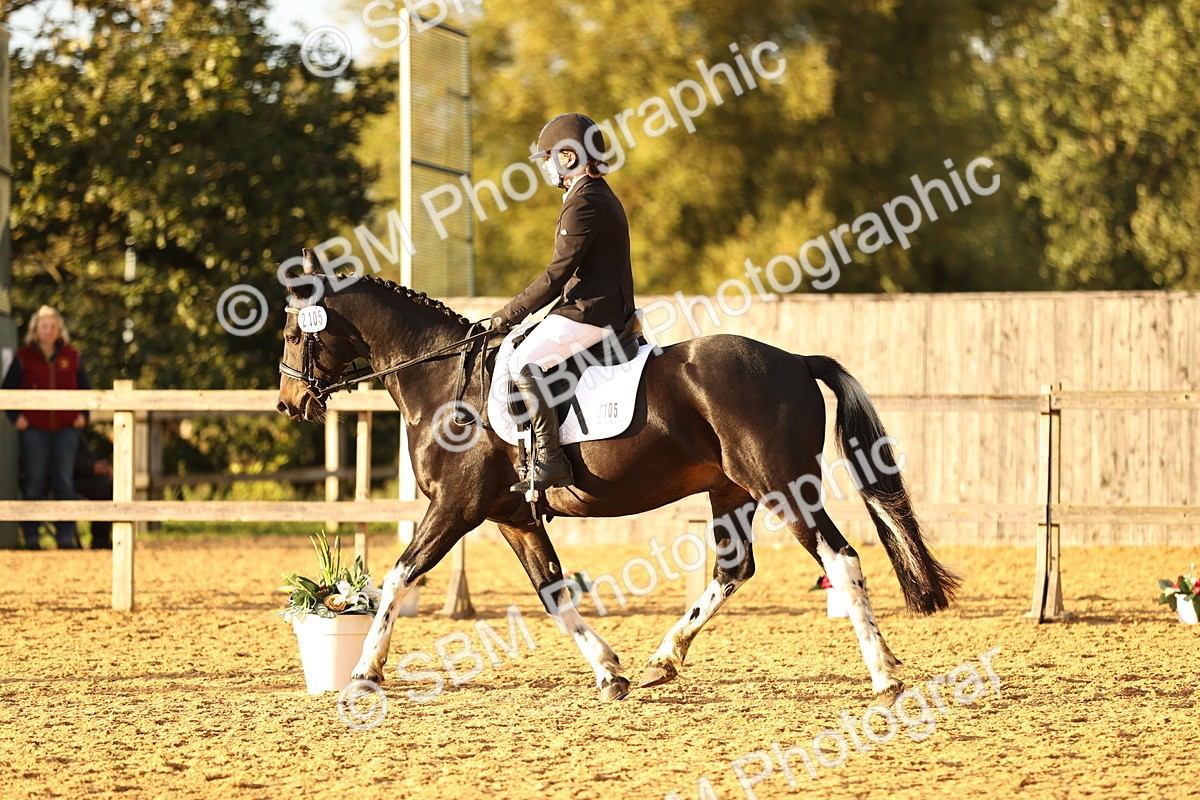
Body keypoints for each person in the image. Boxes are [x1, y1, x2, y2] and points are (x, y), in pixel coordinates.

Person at [490, 113, 636, 493]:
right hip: (595, 305)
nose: (546, 167)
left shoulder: (585, 201)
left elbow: (556, 276)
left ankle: (550, 460)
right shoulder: (594, 194)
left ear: (567, 157)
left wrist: (508, 314)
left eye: (548, 157)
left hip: (591, 311)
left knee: (522, 361)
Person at [2, 305, 92, 549]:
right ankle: (32, 536)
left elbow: (86, 389)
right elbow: (7, 389)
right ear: (35, 329)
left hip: (66, 428)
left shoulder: (72, 356)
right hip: (35, 428)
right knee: (34, 480)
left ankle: (65, 537)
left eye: (53, 326)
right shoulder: (24, 357)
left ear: (59, 329)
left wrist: (84, 414)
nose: (49, 331)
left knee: (64, 480)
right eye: (44, 326)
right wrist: (15, 416)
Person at [73, 431, 114, 549]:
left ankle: (101, 538)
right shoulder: (66, 433)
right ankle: (99, 539)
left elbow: (88, 456)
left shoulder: (77, 434)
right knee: (102, 486)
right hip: (70, 477)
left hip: (82, 474)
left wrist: (104, 468)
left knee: (106, 484)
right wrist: (90, 467)